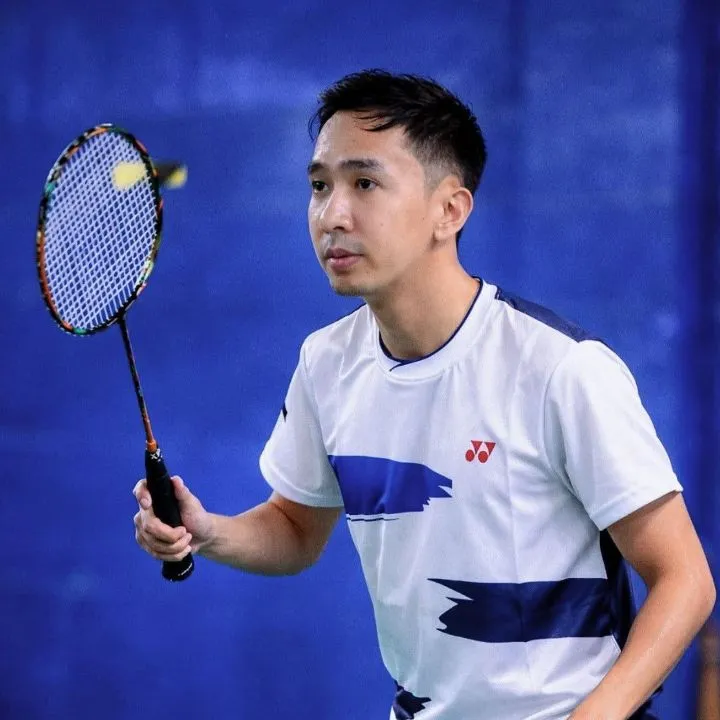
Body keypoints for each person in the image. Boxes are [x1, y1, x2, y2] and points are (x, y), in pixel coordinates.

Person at [134, 69, 716, 719]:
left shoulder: (561, 369)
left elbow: (684, 580)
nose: (332, 215)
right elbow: (295, 529)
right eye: (320, 186)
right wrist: (208, 531)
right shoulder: (326, 364)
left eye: (365, 183)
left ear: (450, 210)